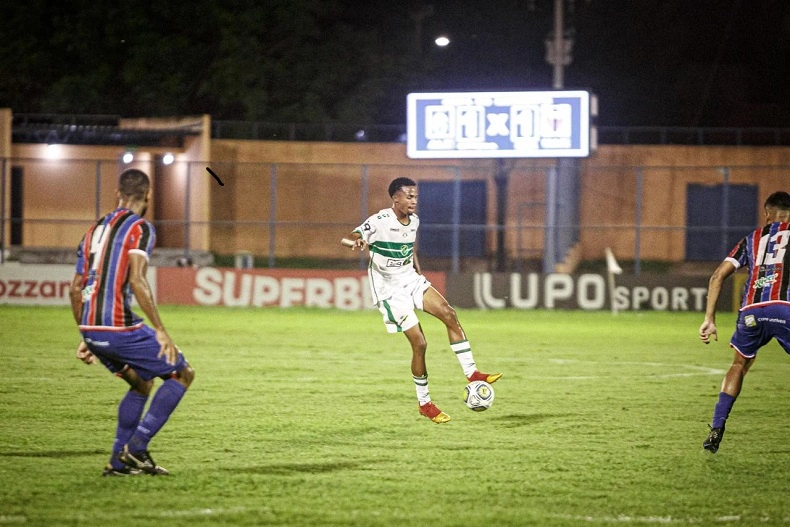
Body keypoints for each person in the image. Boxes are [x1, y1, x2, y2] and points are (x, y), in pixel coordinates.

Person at [69, 168, 195, 475]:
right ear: (148, 195)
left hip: (91, 326)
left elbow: (76, 288)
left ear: (118, 195)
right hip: (118, 325)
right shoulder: (141, 228)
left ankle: (117, 462)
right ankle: (136, 448)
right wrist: (162, 330)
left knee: (141, 383)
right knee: (181, 374)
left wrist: (87, 335)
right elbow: (138, 281)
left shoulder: (94, 229)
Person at [344, 177, 501, 423]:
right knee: (420, 344)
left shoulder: (414, 221)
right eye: (408, 196)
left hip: (411, 280)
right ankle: (425, 403)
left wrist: (418, 271)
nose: (413, 200)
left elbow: (410, 248)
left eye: (415, 196)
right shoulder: (380, 221)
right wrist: (358, 241)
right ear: (395, 198)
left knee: (449, 314)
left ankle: (472, 373)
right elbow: (352, 235)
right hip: (390, 291)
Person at [699, 190, 790, 453]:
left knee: (739, 364)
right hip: (785, 308)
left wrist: (709, 319)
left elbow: (717, 277)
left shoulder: (751, 239)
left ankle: (717, 428)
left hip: (750, 312)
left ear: (766, 213)